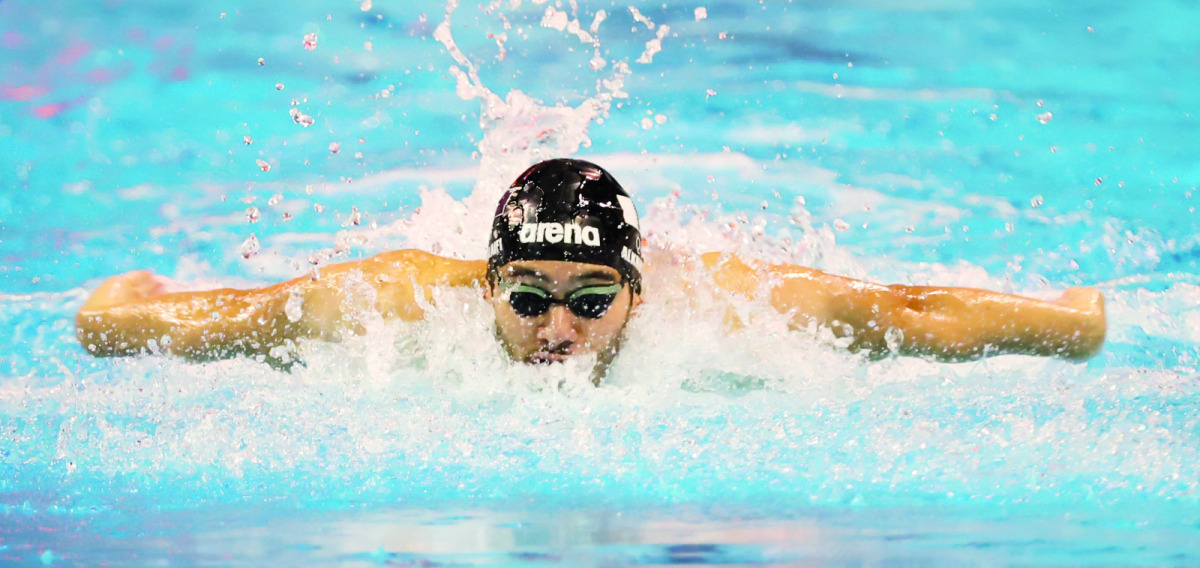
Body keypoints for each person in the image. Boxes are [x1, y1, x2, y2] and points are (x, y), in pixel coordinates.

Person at [76, 158, 1107, 381]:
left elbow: (904, 311)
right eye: (525, 300)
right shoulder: (394, 300)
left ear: (639, 292)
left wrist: (1073, 321)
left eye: (589, 301)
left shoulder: (733, 308)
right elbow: (241, 317)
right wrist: (117, 311)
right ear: (485, 288)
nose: (555, 331)